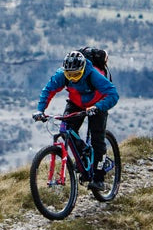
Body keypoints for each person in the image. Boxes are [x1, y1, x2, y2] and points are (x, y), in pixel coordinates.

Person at [32, 50, 118, 190]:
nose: (72, 78)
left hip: (97, 103)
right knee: (65, 130)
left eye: (76, 75)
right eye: (69, 75)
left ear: (83, 69)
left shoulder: (93, 75)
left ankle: (99, 178)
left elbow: (113, 94)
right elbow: (48, 90)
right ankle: (84, 153)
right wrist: (40, 110)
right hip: (76, 103)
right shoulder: (62, 75)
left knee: (97, 139)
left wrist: (98, 107)